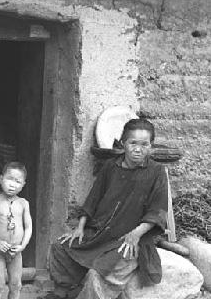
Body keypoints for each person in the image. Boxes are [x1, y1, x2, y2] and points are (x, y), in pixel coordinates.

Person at [47, 118, 168, 299]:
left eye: (144, 144)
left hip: (129, 237)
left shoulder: (156, 172)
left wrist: (136, 234)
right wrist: (79, 228)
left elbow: (157, 211)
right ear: (123, 143)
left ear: (151, 146)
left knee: (102, 270)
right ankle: (62, 292)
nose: (138, 149)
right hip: (100, 233)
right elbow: (93, 199)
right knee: (61, 246)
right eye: (133, 143)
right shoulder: (111, 166)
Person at [0, 162, 33, 299]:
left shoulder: (23, 203)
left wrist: (22, 246)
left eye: (17, 181)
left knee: (16, 285)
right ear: (1, 179)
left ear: (23, 185)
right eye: (9, 179)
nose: (12, 184)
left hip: (16, 252)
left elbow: (28, 227)